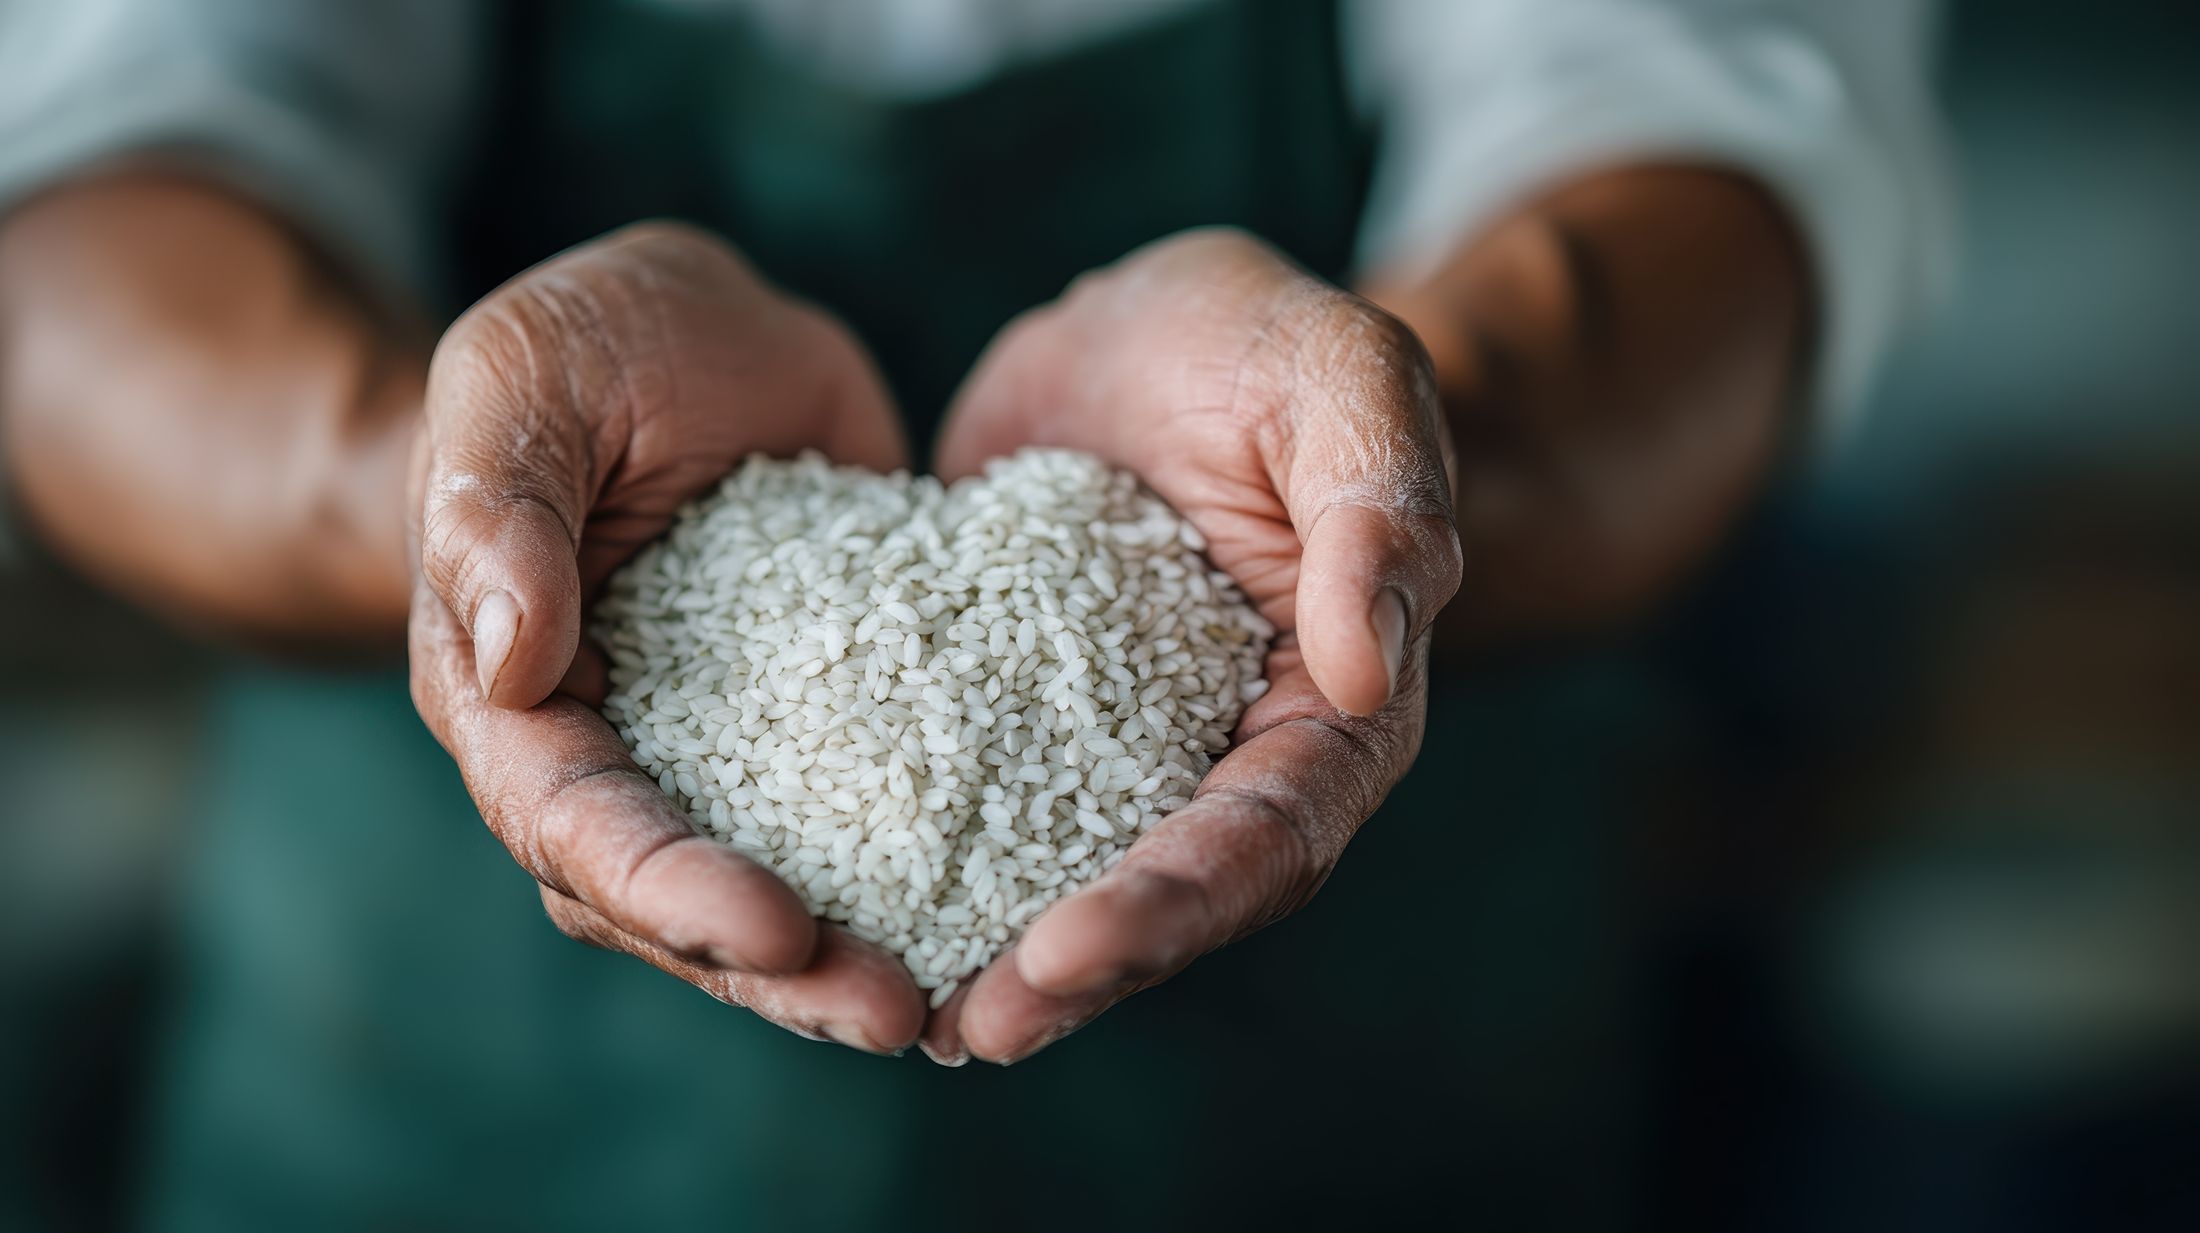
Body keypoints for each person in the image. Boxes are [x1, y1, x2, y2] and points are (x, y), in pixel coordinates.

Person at [0, 0, 1949, 1226]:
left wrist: (1394, 465)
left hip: (1353, 1103)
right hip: (434, 1094)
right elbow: (96, 172)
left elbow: (1696, 113)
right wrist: (432, 512)